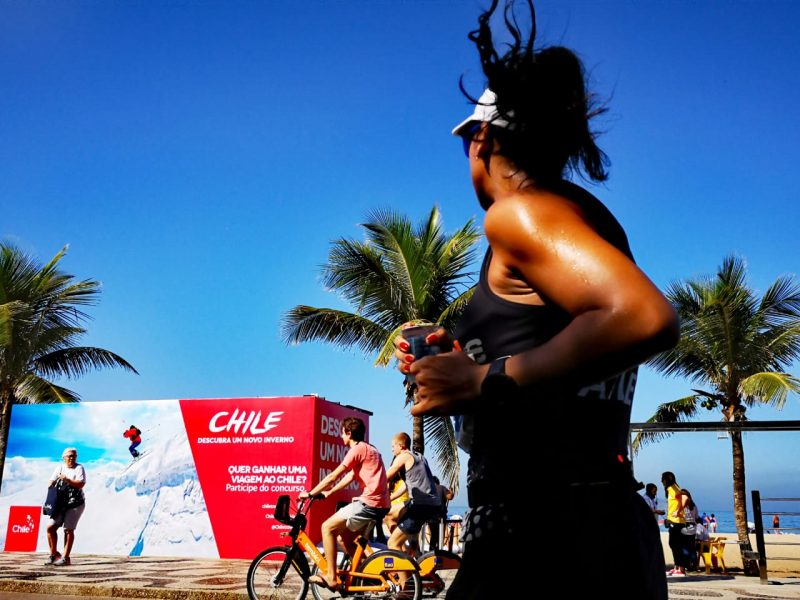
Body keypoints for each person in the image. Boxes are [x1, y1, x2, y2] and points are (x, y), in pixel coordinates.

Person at [394, 2, 678, 598]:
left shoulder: (516, 215)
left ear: (484, 140)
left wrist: (486, 380)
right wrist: (470, 359)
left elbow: (644, 317)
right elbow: (568, 357)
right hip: (600, 521)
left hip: (542, 532)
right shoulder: (588, 218)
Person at [299, 417, 390, 590]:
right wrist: (329, 493)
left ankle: (331, 577)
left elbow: (333, 476)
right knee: (345, 538)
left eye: (342, 433)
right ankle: (368, 575)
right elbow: (350, 476)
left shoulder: (357, 449)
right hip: (380, 504)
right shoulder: (371, 449)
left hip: (370, 503)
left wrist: (310, 493)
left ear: (348, 433)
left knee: (327, 528)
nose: (341, 437)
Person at [383, 432, 442, 555]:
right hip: (428, 503)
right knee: (389, 515)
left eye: (393, 446)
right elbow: (407, 485)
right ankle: (408, 549)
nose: (391, 448)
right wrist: (391, 497)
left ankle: (405, 563)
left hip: (421, 505)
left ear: (401, 446)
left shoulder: (403, 456)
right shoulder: (419, 457)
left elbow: (385, 478)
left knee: (392, 543)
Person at [44, 447, 86, 566]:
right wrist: (53, 484)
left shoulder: (79, 468)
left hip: (75, 503)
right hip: (61, 503)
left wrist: (67, 480)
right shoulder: (59, 468)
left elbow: (81, 484)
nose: (72, 458)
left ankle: (65, 558)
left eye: (74, 456)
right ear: (63, 458)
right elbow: (51, 481)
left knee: (68, 529)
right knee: (50, 527)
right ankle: (54, 554)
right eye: (69, 456)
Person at [662, 472, 691, 576]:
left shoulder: (672, 488)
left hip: (677, 522)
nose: (662, 481)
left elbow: (685, 498)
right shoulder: (674, 488)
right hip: (675, 521)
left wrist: (678, 511)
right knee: (674, 544)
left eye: (663, 479)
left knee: (676, 545)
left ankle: (681, 569)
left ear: (667, 479)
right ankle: (677, 567)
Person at [426, 476, 454, 550]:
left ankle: (431, 551)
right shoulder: (441, 488)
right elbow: (450, 497)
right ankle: (438, 551)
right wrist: (451, 491)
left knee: (433, 535)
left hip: (430, 517)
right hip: (440, 517)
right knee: (440, 536)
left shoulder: (427, 490)